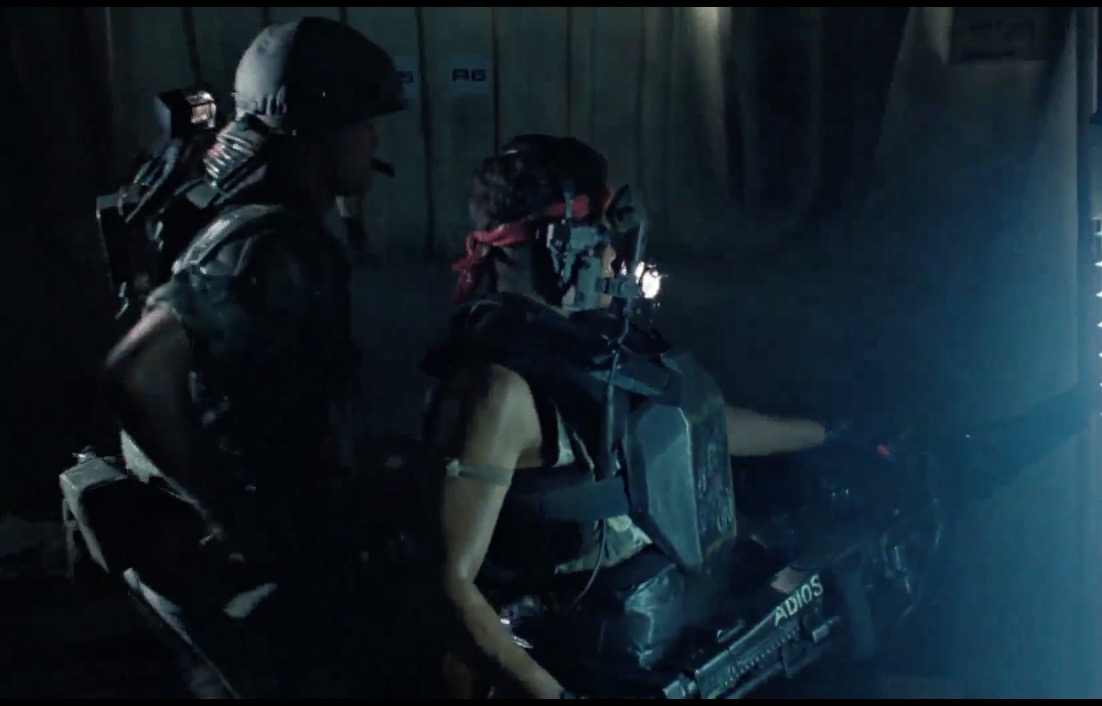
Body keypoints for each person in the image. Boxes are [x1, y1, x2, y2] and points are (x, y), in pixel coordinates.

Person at [420, 134, 836, 699]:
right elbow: (447, 584)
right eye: (600, 240)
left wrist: (821, 434)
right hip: (581, 674)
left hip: (660, 658)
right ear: (561, 246)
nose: (614, 260)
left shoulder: (592, 348)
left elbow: (698, 426)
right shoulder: (496, 392)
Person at [98, 17, 418, 697]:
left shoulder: (263, 225)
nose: (374, 139)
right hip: (257, 577)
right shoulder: (271, 244)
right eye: (363, 123)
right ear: (317, 129)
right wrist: (228, 512)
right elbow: (137, 372)